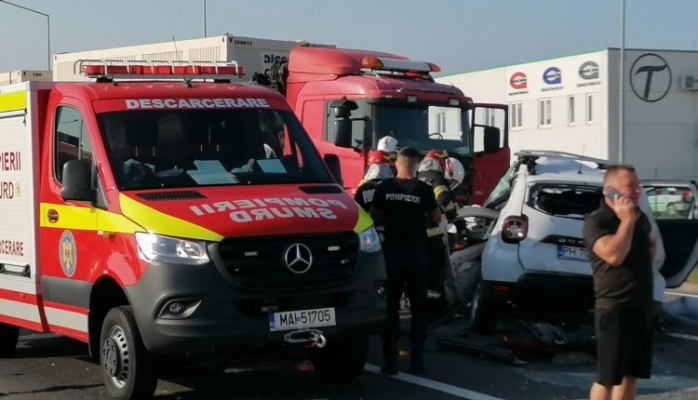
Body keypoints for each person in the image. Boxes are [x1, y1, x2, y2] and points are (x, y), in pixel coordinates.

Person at [582, 164, 657, 400]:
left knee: (630, 375)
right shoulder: (597, 221)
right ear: (611, 190)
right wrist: (625, 222)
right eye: (631, 186)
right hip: (614, 309)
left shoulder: (639, 217)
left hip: (641, 306)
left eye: (638, 185)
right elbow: (613, 256)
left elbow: (650, 247)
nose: (638, 191)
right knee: (608, 378)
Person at [371, 146, 441, 375]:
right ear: (416, 164)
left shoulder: (384, 188)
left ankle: (390, 362)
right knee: (419, 307)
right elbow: (436, 217)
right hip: (417, 253)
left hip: (392, 252)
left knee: (391, 308)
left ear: (397, 163)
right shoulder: (424, 190)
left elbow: (375, 217)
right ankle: (417, 362)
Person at [416, 151, 462, 317]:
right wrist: (453, 215)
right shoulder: (434, 176)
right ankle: (435, 310)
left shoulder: (417, 174)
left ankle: (420, 306)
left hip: (415, 236)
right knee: (436, 275)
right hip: (433, 237)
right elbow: (442, 196)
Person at [354, 150, 396, 243]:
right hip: (390, 234)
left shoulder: (362, 189)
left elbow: (356, 213)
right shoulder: (393, 188)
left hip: (367, 233)